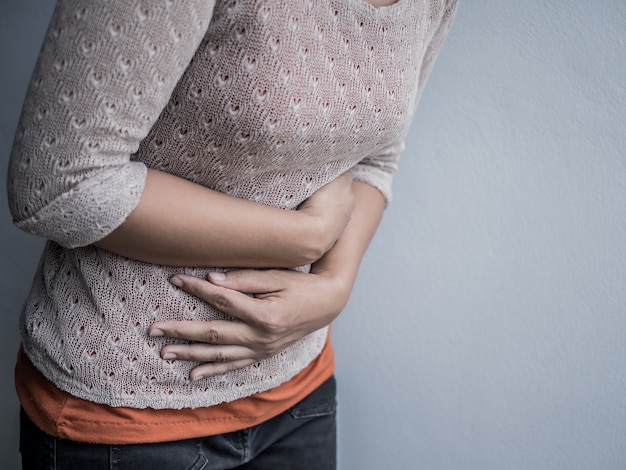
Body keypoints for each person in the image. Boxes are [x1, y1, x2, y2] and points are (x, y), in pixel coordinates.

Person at [8, 0, 458, 468]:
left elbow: (377, 159)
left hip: (300, 389)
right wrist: (304, 237)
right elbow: (58, 187)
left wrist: (334, 285)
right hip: (126, 413)